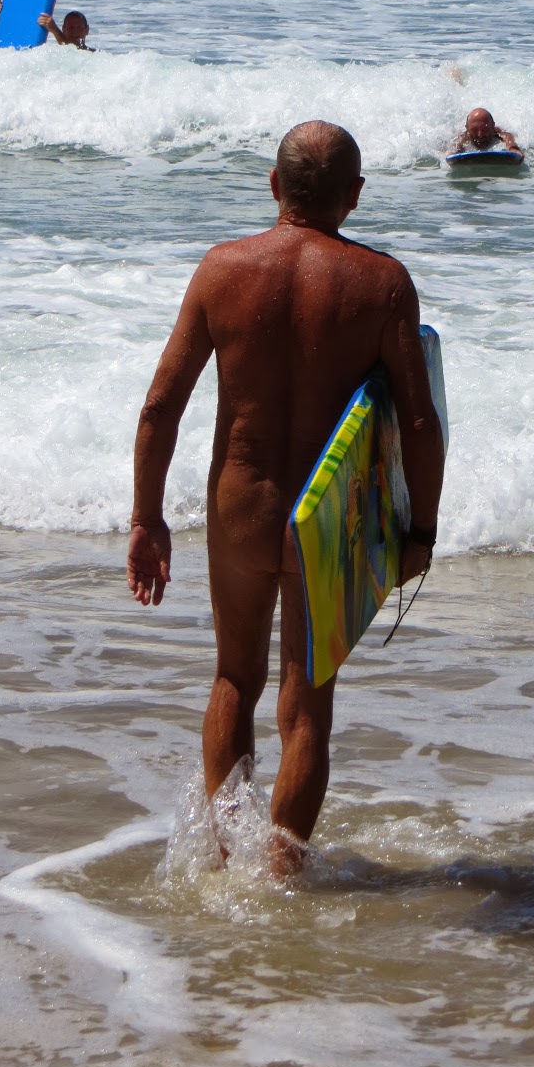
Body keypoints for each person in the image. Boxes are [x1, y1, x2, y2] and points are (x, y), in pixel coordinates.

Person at [127, 121, 446, 873]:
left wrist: (147, 517)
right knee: (307, 707)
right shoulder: (383, 284)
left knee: (233, 678)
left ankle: (221, 862)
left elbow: (159, 409)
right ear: (355, 196)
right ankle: (278, 878)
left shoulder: (221, 270)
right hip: (325, 522)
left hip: (241, 506)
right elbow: (419, 422)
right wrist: (420, 533)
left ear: (274, 185)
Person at [453, 107, 522, 156]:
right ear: (467, 128)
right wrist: (454, 152)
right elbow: (455, 147)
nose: (480, 135)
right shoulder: (464, 136)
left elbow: (508, 138)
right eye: (474, 130)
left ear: (493, 127)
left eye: (485, 130)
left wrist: (513, 149)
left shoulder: (498, 133)